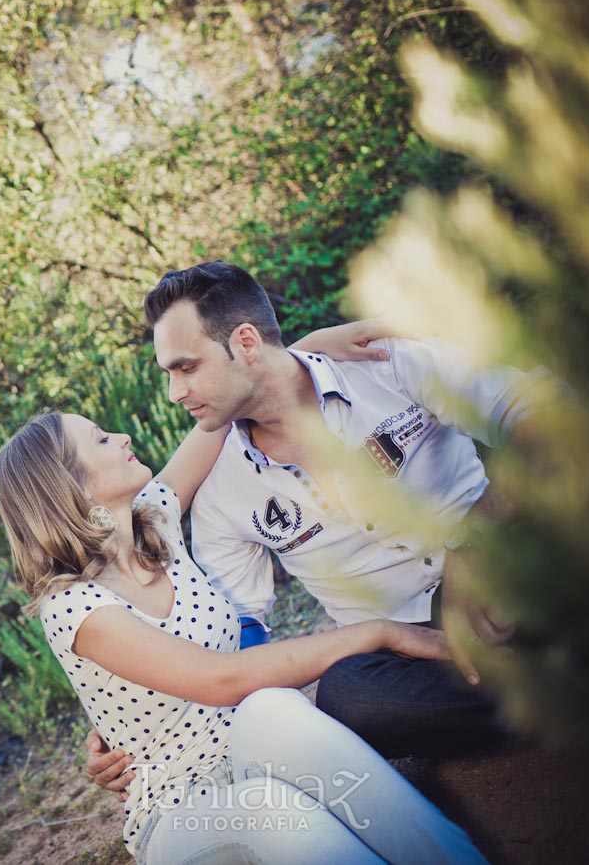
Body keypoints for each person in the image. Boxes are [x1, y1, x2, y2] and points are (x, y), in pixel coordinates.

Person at [86, 260, 562, 795]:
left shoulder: (382, 361)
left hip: (507, 573)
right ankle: (555, 690)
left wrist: (476, 546)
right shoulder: (219, 493)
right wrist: (138, 729)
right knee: (349, 697)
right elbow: (238, 635)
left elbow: (547, 416)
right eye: (168, 373)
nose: (175, 392)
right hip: (412, 651)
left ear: (246, 342)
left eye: (186, 367)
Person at [0, 411, 489, 864]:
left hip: (259, 752)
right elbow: (222, 679)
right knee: (273, 813)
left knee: (270, 706)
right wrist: (379, 632)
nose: (122, 436)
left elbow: (221, 402)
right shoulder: (73, 607)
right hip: (180, 809)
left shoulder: (156, 526)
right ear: (69, 486)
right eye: (101, 440)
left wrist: (321, 344)